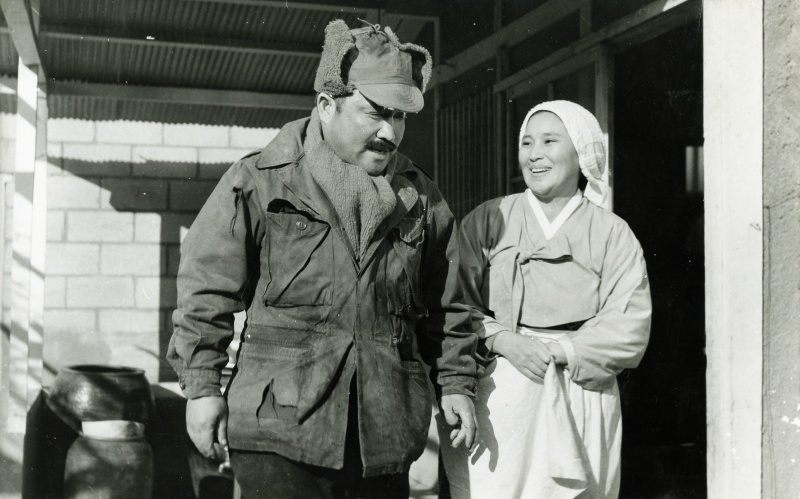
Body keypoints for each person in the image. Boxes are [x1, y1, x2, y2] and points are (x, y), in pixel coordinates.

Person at [167, 19, 479, 498]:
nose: (389, 132)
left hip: (383, 432)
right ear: (327, 105)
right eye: (375, 113)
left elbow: (448, 303)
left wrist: (455, 381)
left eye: (399, 117)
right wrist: (202, 386)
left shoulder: (421, 197)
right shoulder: (261, 180)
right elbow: (206, 287)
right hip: (279, 429)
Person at [438, 100, 652, 498]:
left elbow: (629, 325)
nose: (534, 154)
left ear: (581, 152)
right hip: (501, 392)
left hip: (580, 391)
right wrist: (504, 340)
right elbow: (453, 302)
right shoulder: (489, 218)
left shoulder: (612, 232)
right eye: (527, 143)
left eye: (549, 141)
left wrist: (559, 350)